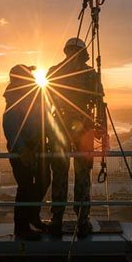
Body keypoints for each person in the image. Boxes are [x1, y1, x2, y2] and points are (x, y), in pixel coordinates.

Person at [46, 37, 102, 238]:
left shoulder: (54, 72)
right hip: (82, 127)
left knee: (59, 174)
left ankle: (57, 219)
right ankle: (82, 220)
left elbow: (46, 103)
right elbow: (99, 102)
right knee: (82, 174)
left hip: (59, 127)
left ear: (66, 51)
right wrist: (99, 128)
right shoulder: (90, 74)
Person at [2, 64, 50, 240]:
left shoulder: (33, 95)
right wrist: (22, 149)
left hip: (38, 147)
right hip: (22, 150)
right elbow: (11, 127)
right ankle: (22, 227)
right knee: (26, 187)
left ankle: (33, 216)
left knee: (44, 180)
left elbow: (43, 119)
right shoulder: (15, 98)